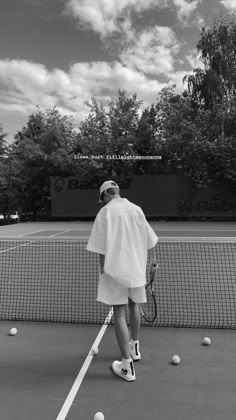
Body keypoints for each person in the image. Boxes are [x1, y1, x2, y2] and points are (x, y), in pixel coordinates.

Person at [86, 180, 158, 382]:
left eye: (102, 199)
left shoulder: (105, 213)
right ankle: (134, 349)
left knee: (119, 313)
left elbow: (100, 249)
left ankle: (127, 366)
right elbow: (150, 241)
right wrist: (153, 262)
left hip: (115, 270)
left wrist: (103, 271)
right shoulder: (137, 209)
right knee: (134, 305)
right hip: (136, 268)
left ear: (105, 196)